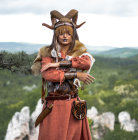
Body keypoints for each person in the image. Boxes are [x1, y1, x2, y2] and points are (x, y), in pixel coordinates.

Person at [31, 9, 95, 140]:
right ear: (56, 35)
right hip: (55, 106)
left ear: (73, 35)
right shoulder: (47, 52)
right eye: (61, 33)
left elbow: (87, 63)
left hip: (73, 105)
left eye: (68, 33)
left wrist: (59, 64)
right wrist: (76, 74)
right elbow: (49, 75)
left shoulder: (79, 50)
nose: (65, 36)